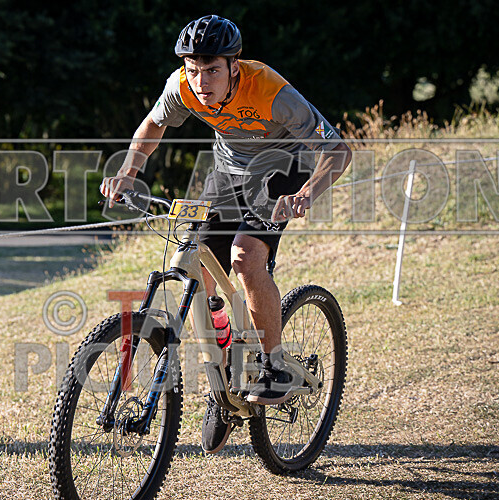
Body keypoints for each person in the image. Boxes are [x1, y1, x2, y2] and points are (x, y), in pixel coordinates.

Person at [100, 15, 351, 453]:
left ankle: (273, 364)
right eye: (194, 69)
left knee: (244, 256)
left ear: (234, 66)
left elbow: (338, 150)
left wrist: (307, 193)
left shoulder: (270, 90)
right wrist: (128, 171)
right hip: (229, 171)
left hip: (283, 169)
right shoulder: (181, 85)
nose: (201, 81)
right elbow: (154, 125)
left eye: (212, 69)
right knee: (193, 259)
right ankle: (225, 381)